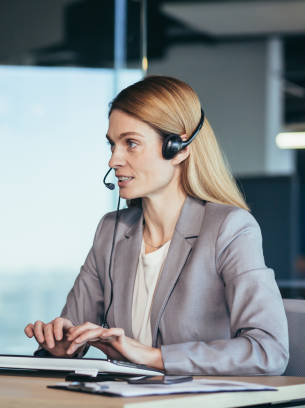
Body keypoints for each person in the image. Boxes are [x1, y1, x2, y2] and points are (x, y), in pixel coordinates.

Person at [24, 76, 289, 376]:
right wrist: (61, 346)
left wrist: (152, 357)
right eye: (112, 144)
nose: (113, 159)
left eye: (131, 144)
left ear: (178, 148)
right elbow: (72, 329)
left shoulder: (229, 229)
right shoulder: (110, 231)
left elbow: (269, 351)